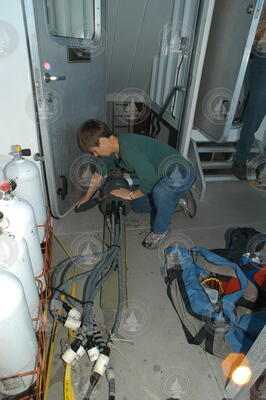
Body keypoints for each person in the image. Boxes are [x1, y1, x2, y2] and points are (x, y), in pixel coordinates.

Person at [77, 120, 196, 249]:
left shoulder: (129, 150)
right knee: (137, 206)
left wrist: (132, 193)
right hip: (161, 178)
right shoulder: (113, 150)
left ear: (104, 141)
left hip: (182, 173)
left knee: (160, 192)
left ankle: (161, 231)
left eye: (94, 151)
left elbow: (150, 181)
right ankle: (176, 199)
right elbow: (98, 175)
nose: (95, 155)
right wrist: (87, 197)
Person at [233, 6, 266, 180]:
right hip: (261, 59)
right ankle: (240, 158)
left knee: (254, 112)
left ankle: (259, 164)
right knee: (253, 112)